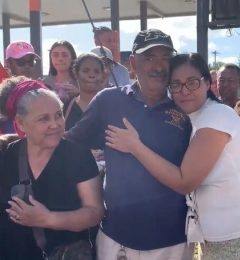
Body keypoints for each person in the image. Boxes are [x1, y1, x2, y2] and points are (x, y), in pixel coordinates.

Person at [106, 53, 240, 259]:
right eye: (176, 84)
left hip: (235, 238)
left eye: (192, 82)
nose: (184, 91)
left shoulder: (216, 116)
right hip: (206, 238)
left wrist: (135, 146)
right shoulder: (190, 119)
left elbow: (184, 182)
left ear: (207, 83)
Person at [66, 29, 193, 260]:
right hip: (116, 241)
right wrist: (17, 139)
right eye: (150, 57)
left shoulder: (186, 107)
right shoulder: (107, 101)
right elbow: (70, 144)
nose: (158, 66)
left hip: (173, 243)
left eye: (165, 57)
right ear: (133, 62)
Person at [0, 79, 104, 259]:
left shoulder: (77, 156)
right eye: (44, 119)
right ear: (21, 123)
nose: (55, 124)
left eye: (59, 115)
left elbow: (95, 213)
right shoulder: (7, 156)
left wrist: (46, 219)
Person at [64, 53, 105, 131]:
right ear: (76, 73)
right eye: (86, 71)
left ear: (102, 75)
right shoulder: (67, 106)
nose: (92, 75)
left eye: (96, 72)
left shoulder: (111, 106)